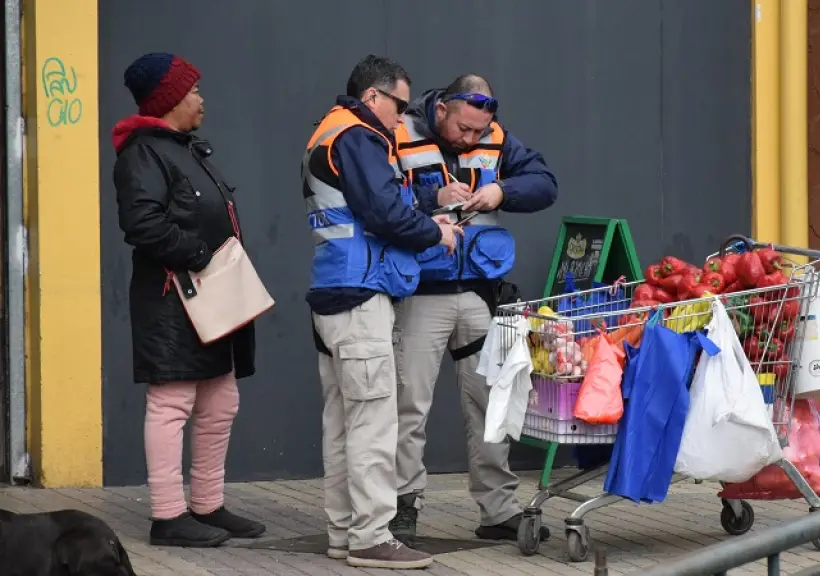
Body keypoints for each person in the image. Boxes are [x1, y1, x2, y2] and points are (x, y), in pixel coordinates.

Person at [303, 54, 461, 570]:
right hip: (359, 295)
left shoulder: (330, 132)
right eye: (399, 104)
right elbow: (384, 212)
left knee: (343, 423)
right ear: (373, 97)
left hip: (333, 291)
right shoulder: (358, 136)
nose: (402, 116)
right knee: (373, 421)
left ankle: (345, 531)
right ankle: (372, 536)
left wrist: (430, 195)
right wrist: (436, 230)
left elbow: (372, 201)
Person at [390, 74, 558, 543]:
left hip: (479, 292)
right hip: (421, 291)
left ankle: (498, 510)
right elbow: (376, 197)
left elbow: (545, 184)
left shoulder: (495, 136)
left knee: (490, 402)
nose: (471, 139)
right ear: (441, 108)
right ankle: (402, 508)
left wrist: (502, 191)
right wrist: (430, 199)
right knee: (409, 405)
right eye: (464, 129)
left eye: (478, 132)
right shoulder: (400, 132)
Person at [112, 52, 265, 547]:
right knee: (172, 402)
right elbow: (143, 224)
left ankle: (206, 503)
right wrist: (200, 254)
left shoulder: (184, 148)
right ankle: (168, 516)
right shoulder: (143, 152)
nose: (202, 98)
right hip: (172, 298)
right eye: (194, 90)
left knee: (221, 399)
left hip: (209, 295)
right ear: (172, 100)